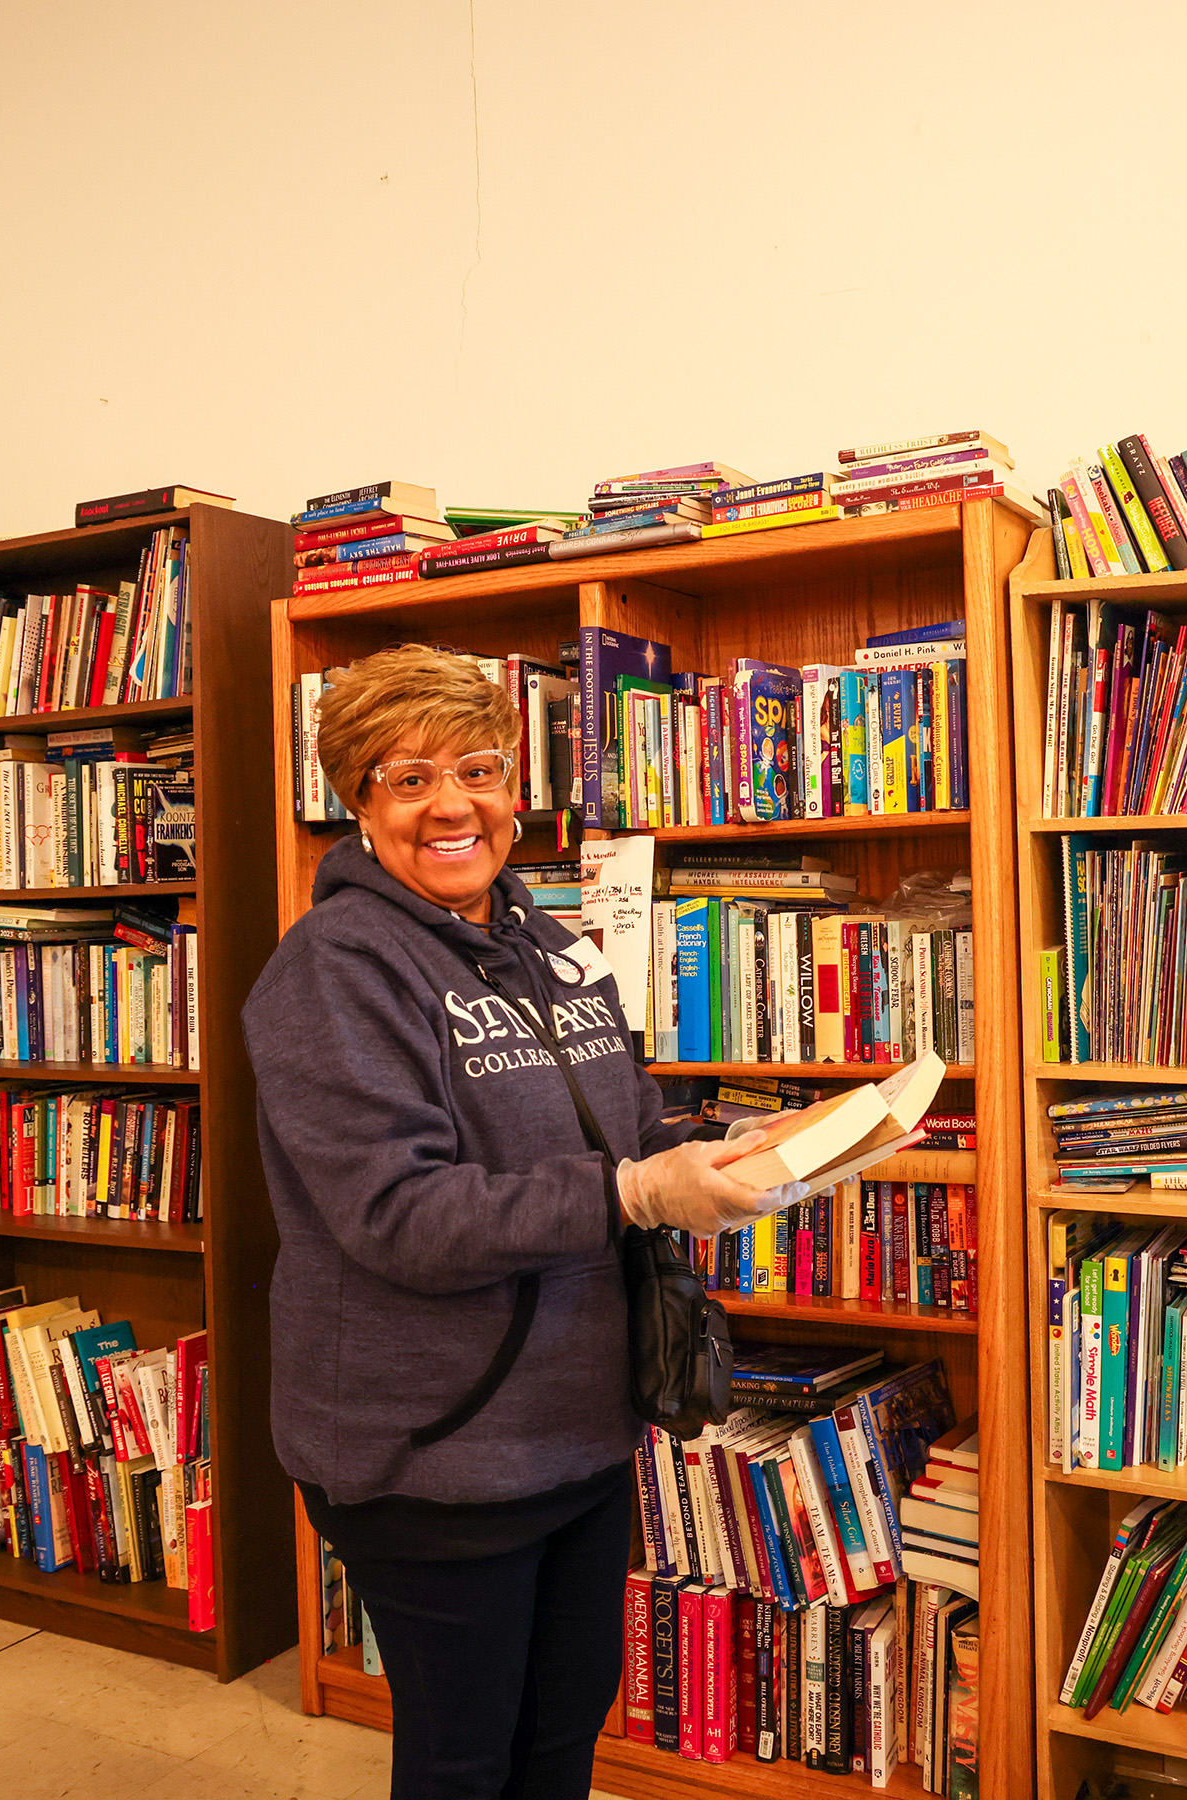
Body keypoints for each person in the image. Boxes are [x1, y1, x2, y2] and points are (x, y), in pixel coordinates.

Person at [242, 644, 797, 1800]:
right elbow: (397, 1214)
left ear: (517, 788)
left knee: (558, 1741)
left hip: (580, 1426)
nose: (453, 804)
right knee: (462, 1760)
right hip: (430, 1452)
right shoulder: (331, 971)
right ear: (360, 801)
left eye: (479, 769)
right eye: (408, 778)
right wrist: (637, 1194)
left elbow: (621, 1128)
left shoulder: (548, 944)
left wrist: (727, 1153)